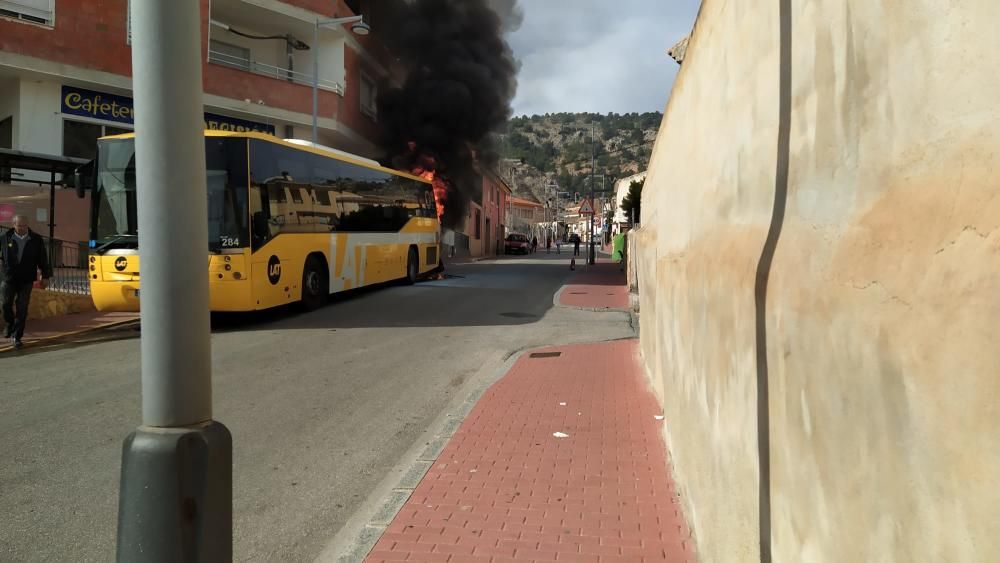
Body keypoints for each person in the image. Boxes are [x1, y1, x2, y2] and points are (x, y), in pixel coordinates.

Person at [1, 215, 52, 349]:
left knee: (22, 307)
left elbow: (43, 259)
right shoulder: (5, 237)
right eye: (20, 226)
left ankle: (17, 336)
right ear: (14, 225)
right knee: (5, 304)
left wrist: (45, 276)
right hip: (9, 277)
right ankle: (9, 324)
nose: (23, 228)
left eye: (25, 225)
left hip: (26, 279)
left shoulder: (36, 239)